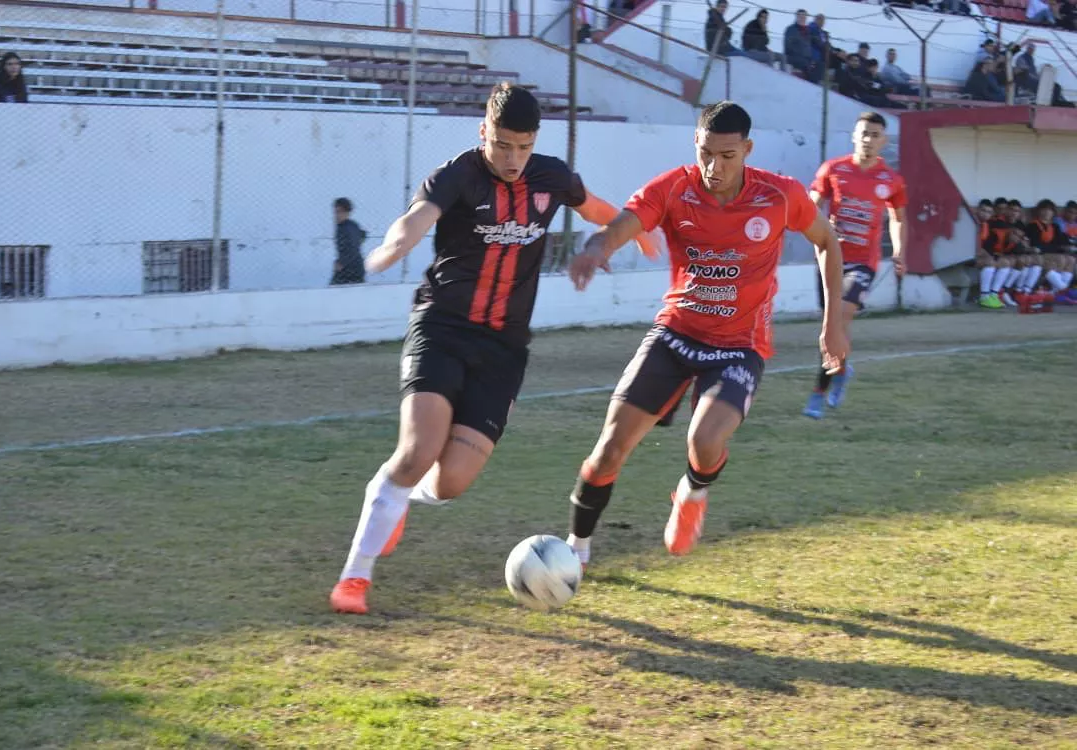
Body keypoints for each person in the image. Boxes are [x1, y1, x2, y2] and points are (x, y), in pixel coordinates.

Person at [330, 83, 658, 615]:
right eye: (502, 144)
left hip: (504, 349)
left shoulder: (551, 176)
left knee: (452, 481)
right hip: (442, 328)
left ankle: (399, 500)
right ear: (484, 131)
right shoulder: (456, 174)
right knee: (417, 450)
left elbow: (596, 207)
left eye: (522, 146)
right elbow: (418, 217)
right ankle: (355, 577)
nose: (512, 158)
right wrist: (394, 246)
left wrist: (633, 231)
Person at [562, 101, 848, 568]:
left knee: (705, 440)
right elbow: (624, 224)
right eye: (705, 153)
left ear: (747, 150)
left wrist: (832, 322)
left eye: (727, 156)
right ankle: (575, 549)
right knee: (610, 447)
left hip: (738, 347)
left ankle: (692, 492)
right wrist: (596, 247)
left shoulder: (779, 195)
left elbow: (827, 240)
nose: (714, 167)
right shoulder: (675, 187)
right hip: (675, 333)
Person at [802, 112, 907, 419]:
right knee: (830, 325)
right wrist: (816, 230)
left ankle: (818, 392)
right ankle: (843, 371)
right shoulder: (833, 169)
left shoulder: (891, 179)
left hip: (863, 263)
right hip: (830, 258)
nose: (869, 140)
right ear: (854, 136)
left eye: (875, 135)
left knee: (839, 320)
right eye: (864, 133)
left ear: (883, 141)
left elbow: (899, 218)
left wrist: (899, 250)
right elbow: (810, 205)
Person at [330, 197, 367, 285]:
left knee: (334, 292)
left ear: (347, 213)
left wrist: (341, 263)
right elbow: (363, 235)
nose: (337, 215)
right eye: (335, 212)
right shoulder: (349, 225)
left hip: (351, 270)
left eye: (340, 212)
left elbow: (352, 248)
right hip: (353, 267)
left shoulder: (346, 228)